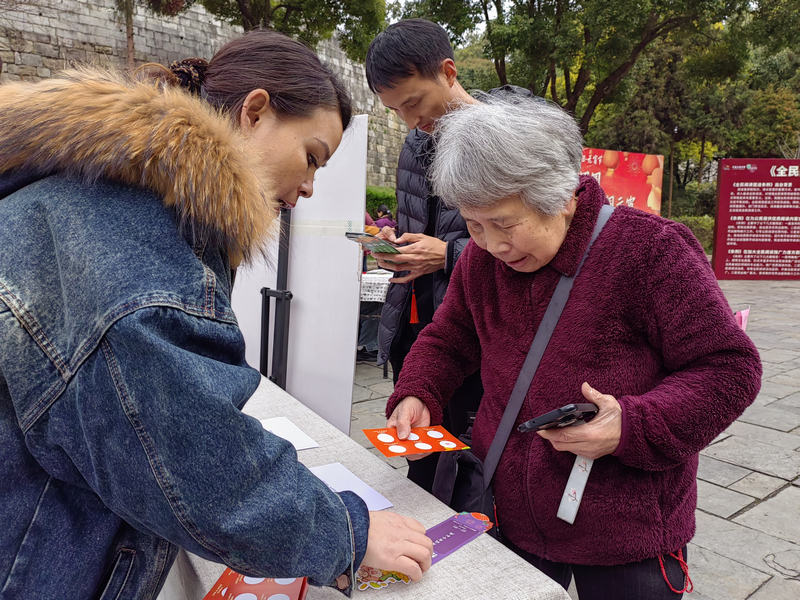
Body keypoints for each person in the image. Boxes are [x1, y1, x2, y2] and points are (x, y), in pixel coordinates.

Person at [0, 30, 432, 599]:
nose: (306, 188)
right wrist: (344, 530)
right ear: (255, 111)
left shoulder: (91, 190)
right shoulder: (130, 238)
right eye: (310, 158)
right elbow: (194, 459)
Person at [384, 96, 762, 598]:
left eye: (505, 223)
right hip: (507, 508)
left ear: (562, 196)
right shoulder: (479, 262)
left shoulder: (651, 250)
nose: (492, 244)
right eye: (474, 225)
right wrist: (418, 392)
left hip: (626, 527)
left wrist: (631, 424)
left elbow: (729, 368)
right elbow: (449, 338)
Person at [365, 18, 514, 492]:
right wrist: (400, 254)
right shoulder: (414, 144)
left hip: (479, 331)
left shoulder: (509, 133)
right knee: (420, 459)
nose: (410, 121)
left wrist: (447, 255)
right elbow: (417, 230)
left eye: (413, 103)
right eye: (395, 110)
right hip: (418, 322)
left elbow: (532, 240)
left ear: (448, 72)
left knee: (478, 470)